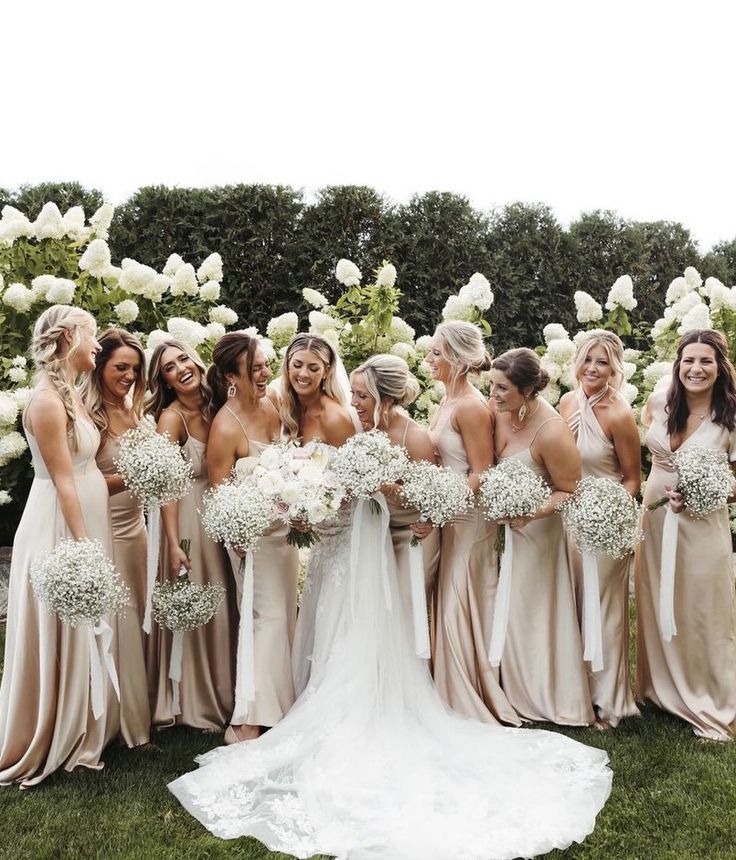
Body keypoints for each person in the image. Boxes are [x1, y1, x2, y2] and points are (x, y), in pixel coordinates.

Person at [168, 341, 613, 860]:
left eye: (354, 389)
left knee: (348, 624)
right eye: (298, 366)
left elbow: (399, 486)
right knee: (321, 621)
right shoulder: (301, 415)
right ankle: (295, 698)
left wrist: (381, 499)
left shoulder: (363, 426)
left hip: (350, 539)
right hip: (325, 536)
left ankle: (332, 708)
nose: (347, 397)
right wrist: (300, 495)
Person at [0, 306, 121, 786]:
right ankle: (56, 729)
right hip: (60, 525)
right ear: (70, 336)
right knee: (63, 624)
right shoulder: (47, 402)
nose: (97, 345)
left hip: (85, 517)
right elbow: (64, 482)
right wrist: (85, 546)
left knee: (82, 624)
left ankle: (85, 722)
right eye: (92, 335)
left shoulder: (69, 392)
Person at [635, 329, 736, 740]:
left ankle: (709, 696)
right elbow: (654, 448)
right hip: (655, 522)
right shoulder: (660, 402)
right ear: (678, 365)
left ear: (719, 367)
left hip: (702, 526)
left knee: (702, 609)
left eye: (706, 361)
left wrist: (704, 491)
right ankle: (658, 690)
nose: (696, 368)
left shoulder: (730, 415)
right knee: (656, 598)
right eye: (688, 360)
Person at [491, 347, 594, 725]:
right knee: (507, 608)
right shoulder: (500, 414)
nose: (494, 395)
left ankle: (543, 694)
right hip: (504, 531)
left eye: (502, 388)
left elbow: (570, 489)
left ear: (528, 390)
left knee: (533, 610)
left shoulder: (551, 431)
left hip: (538, 534)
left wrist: (527, 513)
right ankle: (506, 689)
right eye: (492, 386)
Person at [206, 333, 299, 744]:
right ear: (231, 376)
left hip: (285, 534)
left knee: (286, 616)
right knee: (264, 619)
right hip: (251, 539)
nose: (265, 373)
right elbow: (218, 493)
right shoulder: (226, 426)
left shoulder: (275, 403)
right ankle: (247, 718)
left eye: (265, 364)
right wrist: (236, 534)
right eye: (255, 368)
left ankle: (282, 704)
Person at [426, 321, 520, 725]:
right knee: (444, 594)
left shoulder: (470, 407)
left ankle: (465, 688)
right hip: (445, 513)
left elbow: (481, 472)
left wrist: (442, 504)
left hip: (467, 517)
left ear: (458, 360)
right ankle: (444, 681)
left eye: (435, 353)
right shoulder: (446, 401)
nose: (428, 359)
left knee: (458, 599)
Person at [145, 340, 237, 731]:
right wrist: (171, 542)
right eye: (168, 367)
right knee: (204, 600)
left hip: (223, 512)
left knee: (227, 598)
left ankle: (232, 687)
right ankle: (197, 701)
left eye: (183, 358)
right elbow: (165, 486)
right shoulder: (171, 418)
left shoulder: (219, 402)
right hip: (187, 521)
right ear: (163, 380)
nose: (180, 368)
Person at [559, 330, 640, 730]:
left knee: (603, 609)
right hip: (568, 519)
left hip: (606, 523)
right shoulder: (566, 402)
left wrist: (605, 510)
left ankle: (609, 702)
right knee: (573, 604)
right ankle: (575, 693)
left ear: (615, 368)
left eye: (603, 361)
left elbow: (632, 480)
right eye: (588, 358)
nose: (593, 368)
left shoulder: (619, 414)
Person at [80, 328, 151, 747]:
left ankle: (138, 708)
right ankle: (119, 723)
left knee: (135, 618)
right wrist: (132, 476)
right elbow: (82, 483)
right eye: (120, 367)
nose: (128, 376)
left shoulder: (131, 406)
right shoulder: (89, 415)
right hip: (107, 527)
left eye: (134, 369)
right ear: (100, 365)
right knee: (115, 622)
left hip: (137, 527)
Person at [279, 332, 357, 695]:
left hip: (341, 528)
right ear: (288, 366)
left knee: (338, 607)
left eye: (313, 368)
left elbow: (355, 484)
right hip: (317, 527)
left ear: (327, 372)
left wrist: (314, 506)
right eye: (297, 365)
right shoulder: (288, 409)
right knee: (317, 602)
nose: (304, 374)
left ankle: (338, 690)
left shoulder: (335, 416)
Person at [350, 354, 440, 650]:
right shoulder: (362, 429)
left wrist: (389, 487)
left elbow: (431, 495)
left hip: (412, 534)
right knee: (374, 608)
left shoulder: (414, 437)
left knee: (405, 605)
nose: (354, 402)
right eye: (353, 393)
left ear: (385, 398)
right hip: (377, 531)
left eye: (362, 396)